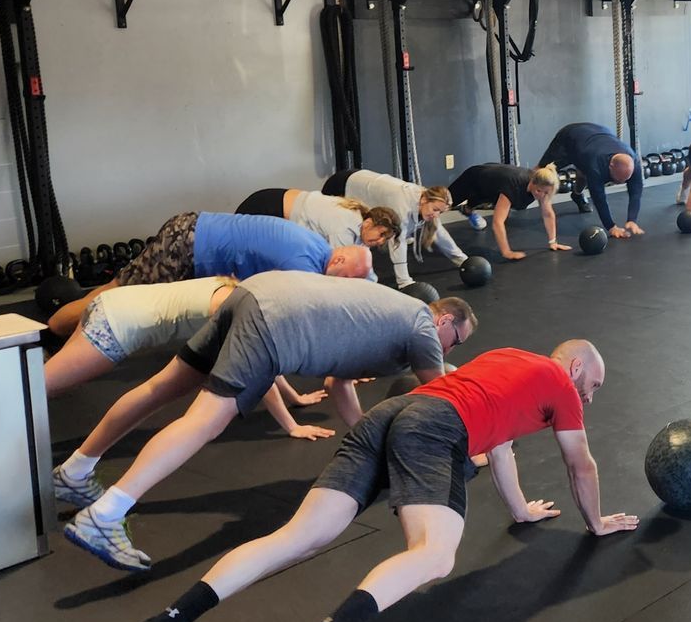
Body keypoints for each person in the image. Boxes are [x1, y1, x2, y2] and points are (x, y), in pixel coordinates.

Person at [112, 342, 637, 622]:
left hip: (388, 416)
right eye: (593, 384)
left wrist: (521, 511)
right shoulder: (562, 387)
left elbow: (500, 448)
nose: (590, 395)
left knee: (295, 537)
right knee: (435, 554)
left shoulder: (508, 364)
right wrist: (595, 523)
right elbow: (580, 463)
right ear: (574, 369)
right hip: (434, 429)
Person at [58, 273, 476, 571]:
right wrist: (475, 448)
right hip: (277, 318)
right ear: (443, 321)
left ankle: (76, 470)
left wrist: (372, 443)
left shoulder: (391, 316)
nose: (447, 351)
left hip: (256, 291)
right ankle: (105, 515)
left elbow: (338, 384)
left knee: (161, 387)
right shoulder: (422, 327)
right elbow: (441, 397)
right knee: (206, 419)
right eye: (455, 342)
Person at [46, 275, 323, 430]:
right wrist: (292, 426)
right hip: (119, 324)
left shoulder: (231, 287)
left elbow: (267, 359)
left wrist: (294, 397)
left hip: (108, 301)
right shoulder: (234, 306)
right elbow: (258, 369)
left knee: (43, 386)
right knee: (34, 391)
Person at [45, 211, 372, 338]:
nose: (340, 286)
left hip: (193, 230)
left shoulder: (319, 247)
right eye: (345, 280)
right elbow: (299, 319)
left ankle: (58, 331)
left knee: (116, 289)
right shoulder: (303, 264)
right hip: (188, 243)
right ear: (340, 258)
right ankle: (53, 331)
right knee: (116, 296)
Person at [321, 169, 465, 288]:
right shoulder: (403, 204)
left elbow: (438, 231)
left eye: (440, 212)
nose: (436, 215)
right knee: (335, 234)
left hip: (362, 180)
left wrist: (462, 259)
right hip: (342, 184)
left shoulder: (428, 199)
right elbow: (397, 242)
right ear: (424, 200)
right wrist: (404, 282)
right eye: (435, 210)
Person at [535, 122, 645, 240]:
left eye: (625, 180)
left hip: (595, 137)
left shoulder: (634, 163)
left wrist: (632, 219)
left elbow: (636, 192)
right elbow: (599, 198)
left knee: (583, 170)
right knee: (541, 171)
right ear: (610, 166)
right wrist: (611, 227)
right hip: (570, 136)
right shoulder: (595, 165)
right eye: (617, 180)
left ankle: (577, 195)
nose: (620, 183)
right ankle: (519, 194)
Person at [235, 186, 401, 252]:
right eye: (381, 234)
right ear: (368, 223)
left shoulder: (359, 225)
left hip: (272, 203)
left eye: (385, 239)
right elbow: (337, 271)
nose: (380, 241)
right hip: (265, 208)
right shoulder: (345, 226)